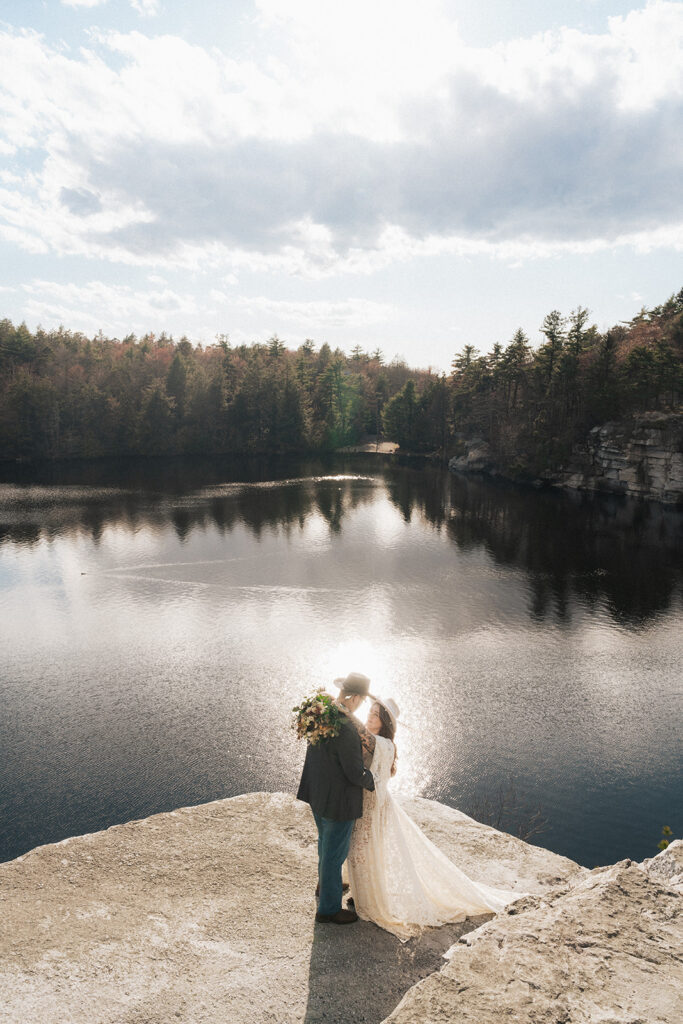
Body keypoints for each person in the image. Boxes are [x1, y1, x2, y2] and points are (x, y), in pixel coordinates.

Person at [344, 696, 529, 940]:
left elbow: (361, 734)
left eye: (376, 714)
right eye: (370, 711)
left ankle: (366, 899)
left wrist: (341, 709)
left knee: (363, 848)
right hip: (367, 801)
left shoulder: (383, 743)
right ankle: (361, 893)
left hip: (373, 806)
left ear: (385, 723)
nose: (369, 716)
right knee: (361, 848)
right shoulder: (376, 741)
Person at [296, 672, 376, 924]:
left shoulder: (321, 713)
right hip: (338, 801)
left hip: (317, 792)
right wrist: (373, 781)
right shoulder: (346, 728)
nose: (361, 706)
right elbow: (354, 773)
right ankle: (329, 910)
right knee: (334, 854)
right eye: (362, 701)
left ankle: (324, 886)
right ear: (355, 698)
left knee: (325, 844)